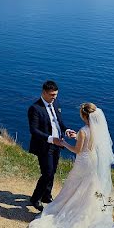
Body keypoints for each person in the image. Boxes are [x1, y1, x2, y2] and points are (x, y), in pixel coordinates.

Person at [24, 102, 114, 228]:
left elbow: (77, 150)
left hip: (83, 162)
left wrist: (64, 143)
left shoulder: (83, 130)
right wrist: (77, 138)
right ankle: (88, 210)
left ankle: (69, 206)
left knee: (74, 184)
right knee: (90, 185)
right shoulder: (97, 130)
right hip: (93, 161)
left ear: (83, 116)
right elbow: (90, 144)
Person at [27, 80, 76, 211]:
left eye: (56, 94)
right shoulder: (35, 108)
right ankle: (35, 198)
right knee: (47, 173)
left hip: (57, 144)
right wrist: (50, 139)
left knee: (52, 171)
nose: (54, 97)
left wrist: (66, 130)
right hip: (44, 145)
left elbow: (59, 122)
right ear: (44, 93)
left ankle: (46, 195)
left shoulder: (56, 103)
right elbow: (34, 130)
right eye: (52, 95)